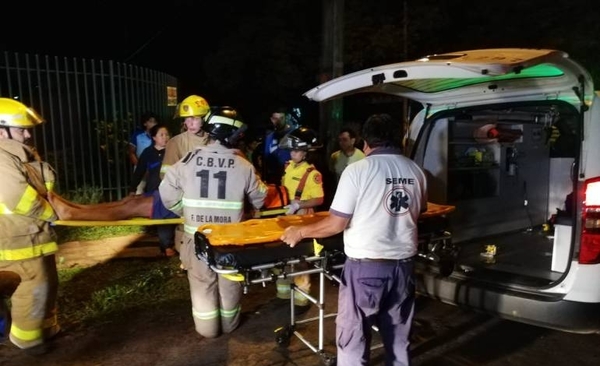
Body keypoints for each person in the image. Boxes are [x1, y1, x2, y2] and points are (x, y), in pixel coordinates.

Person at [280, 113, 428, 366]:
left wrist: (300, 232)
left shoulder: (358, 170)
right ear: (398, 139)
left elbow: (337, 223)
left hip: (366, 269)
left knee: (354, 337)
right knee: (398, 337)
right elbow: (420, 209)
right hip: (403, 268)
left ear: (366, 143)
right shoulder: (416, 170)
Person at [159, 107, 267, 339]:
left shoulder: (187, 161)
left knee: (201, 285)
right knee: (230, 283)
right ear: (231, 135)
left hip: (196, 240)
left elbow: (166, 193)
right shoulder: (243, 165)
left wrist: (185, 211)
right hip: (231, 243)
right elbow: (261, 197)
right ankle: (230, 326)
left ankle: (207, 330)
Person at [0, 98, 62, 354]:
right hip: (18, 241)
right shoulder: (2, 159)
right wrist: (51, 213)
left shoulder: (20, 155)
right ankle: (26, 342)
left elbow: (45, 185)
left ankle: (46, 328)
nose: (27, 135)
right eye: (21, 130)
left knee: (48, 285)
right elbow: (18, 197)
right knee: (32, 289)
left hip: (35, 237)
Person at [275, 126, 325, 313]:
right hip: (288, 217)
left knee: (301, 259)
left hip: (302, 219)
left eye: (296, 150)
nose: (292, 153)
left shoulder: (312, 174)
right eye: (292, 150)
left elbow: (319, 199)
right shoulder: (288, 167)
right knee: (284, 256)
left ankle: (302, 299)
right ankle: (283, 294)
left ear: (306, 152)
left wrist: (298, 205)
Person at [128, 124, 177, 257]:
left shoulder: (174, 151)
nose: (165, 137)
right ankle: (166, 246)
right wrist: (132, 189)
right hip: (155, 192)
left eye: (167, 134)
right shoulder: (148, 153)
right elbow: (139, 172)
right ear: (154, 137)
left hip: (174, 191)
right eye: (161, 135)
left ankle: (172, 245)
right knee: (163, 218)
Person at [160, 95, 210, 179]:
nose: (190, 123)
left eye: (194, 118)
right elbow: (165, 175)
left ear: (204, 119)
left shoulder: (214, 140)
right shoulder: (176, 142)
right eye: (187, 119)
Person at [258, 107, 295, 184]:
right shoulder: (269, 137)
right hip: (272, 178)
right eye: (275, 118)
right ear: (271, 119)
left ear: (286, 118)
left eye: (281, 118)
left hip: (290, 177)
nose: (278, 121)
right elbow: (266, 157)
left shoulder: (294, 134)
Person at [128, 111, 158, 194]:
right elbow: (131, 152)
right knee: (139, 192)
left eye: (155, 122)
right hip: (141, 168)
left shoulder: (159, 136)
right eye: (151, 121)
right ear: (145, 123)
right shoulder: (138, 136)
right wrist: (141, 167)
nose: (154, 124)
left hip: (156, 169)